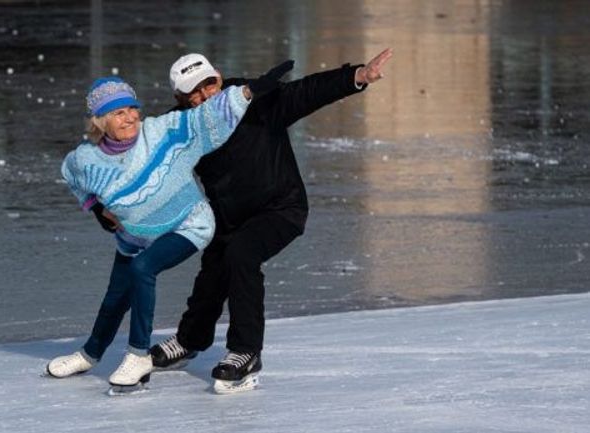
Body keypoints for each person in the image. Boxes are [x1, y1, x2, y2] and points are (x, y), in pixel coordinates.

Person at [143, 49, 394, 393]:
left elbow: (306, 92)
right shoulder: (180, 127)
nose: (205, 96)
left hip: (281, 208)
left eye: (209, 85)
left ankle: (245, 352)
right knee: (214, 268)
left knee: (241, 255)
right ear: (180, 99)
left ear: (219, 77)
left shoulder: (255, 100)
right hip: (229, 216)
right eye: (194, 93)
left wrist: (357, 76)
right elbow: (145, 164)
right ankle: (190, 339)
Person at [46, 65, 292, 392]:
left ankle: (138, 355)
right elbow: (72, 176)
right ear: (100, 121)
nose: (130, 118)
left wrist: (246, 93)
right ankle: (90, 354)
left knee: (143, 268)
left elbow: (204, 118)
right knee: (116, 296)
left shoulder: (161, 131)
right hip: (135, 234)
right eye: (119, 113)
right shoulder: (86, 159)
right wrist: (97, 209)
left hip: (188, 223)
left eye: (132, 109)